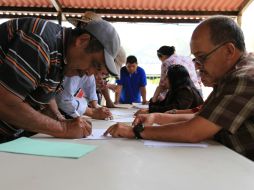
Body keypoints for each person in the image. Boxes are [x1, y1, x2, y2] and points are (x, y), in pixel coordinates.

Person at [104, 16, 254, 161]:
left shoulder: (244, 78)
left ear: (229, 50)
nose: (198, 67)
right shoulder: (230, 76)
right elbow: (202, 118)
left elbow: (195, 130)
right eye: (196, 59)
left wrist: (134, 131)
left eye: (202, 58)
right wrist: (157, 117)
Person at [0, 14, 120, 142]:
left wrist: (60, 119)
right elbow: (6, 103)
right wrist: (63, 128)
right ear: (82, 41)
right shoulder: (40, 42)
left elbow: (45, 97)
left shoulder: (62, 57)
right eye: (95, 64)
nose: (90, 73)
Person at [135, 64, 203, 114]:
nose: (164, 80)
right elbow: (163, 106)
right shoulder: (174, 89)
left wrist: (149, 111)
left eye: (167, 77)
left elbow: (173, 110)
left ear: (175, 79)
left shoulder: (186, 91)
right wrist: (156, 94)